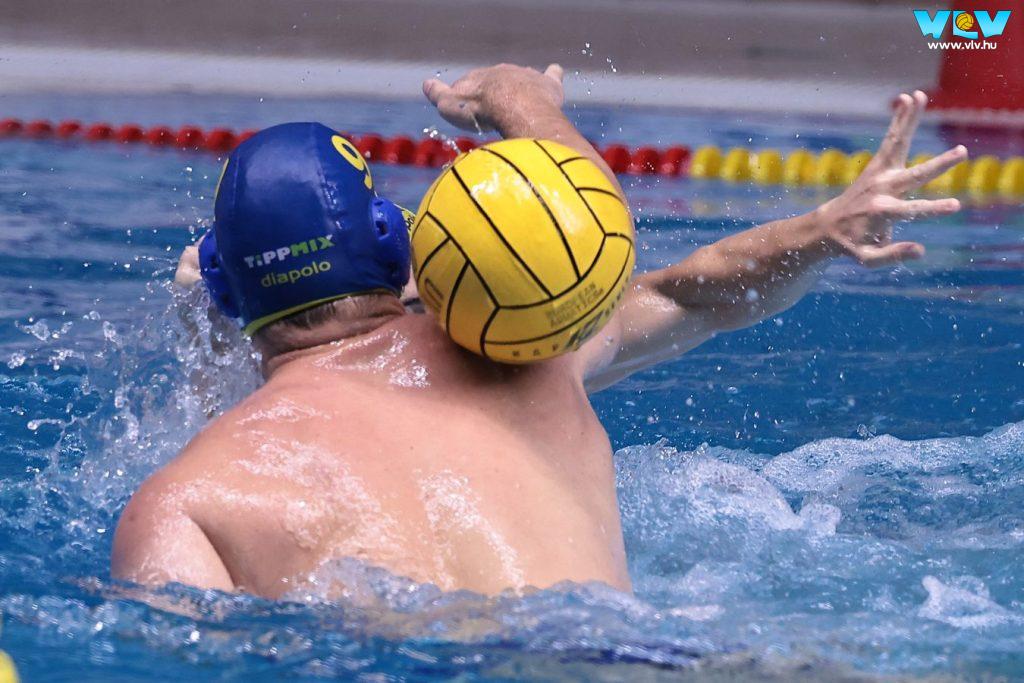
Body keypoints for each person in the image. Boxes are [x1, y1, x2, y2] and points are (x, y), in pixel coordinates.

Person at [113, 63, 967, 598]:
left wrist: (207, 339)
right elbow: (685, 290)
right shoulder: (525, 356)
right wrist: (520, 98)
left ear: (224, 284)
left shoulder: (186, 503)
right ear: (396, 245)